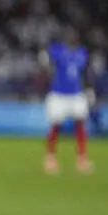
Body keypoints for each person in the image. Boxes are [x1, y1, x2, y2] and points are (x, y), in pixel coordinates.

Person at [41, 28, 93, 174]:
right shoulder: (57, 50)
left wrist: (89, 88)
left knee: (80, 125)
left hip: (76, 93)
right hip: (59, 94)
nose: (72, 37)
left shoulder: (82, 52)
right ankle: (50, 158)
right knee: (55, 126)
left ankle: (82, 159)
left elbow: (86, 72)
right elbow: (46, 58)